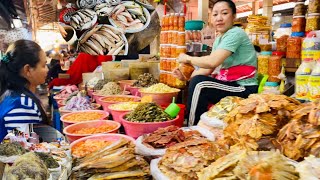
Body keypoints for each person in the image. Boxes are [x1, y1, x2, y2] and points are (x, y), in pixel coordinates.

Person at [173, 0, 258, 126]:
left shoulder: (235, 33)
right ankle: (196, 126)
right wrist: (186, 77)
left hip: (243, 87)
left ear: (234, 16)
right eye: (215, 15)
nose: (219, 18)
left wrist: (187, 58)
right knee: (198, 81)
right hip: (230, 84)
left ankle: (192, 129)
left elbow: (212, 62)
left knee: (200, 84)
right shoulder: (219, 39)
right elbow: (206, 70)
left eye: (224, 13)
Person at [0, 40, 49, 141]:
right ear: (27, 70)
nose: (47, 70)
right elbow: (24, 150)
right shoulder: (23, 105)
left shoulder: (12, 94)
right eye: (43, 65)